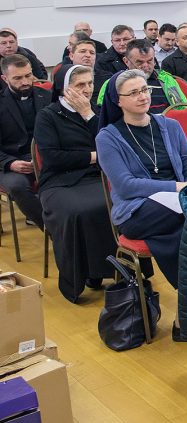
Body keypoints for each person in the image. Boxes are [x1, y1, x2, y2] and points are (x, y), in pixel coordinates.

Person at [96, 70, 187, 289]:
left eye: (145, 89)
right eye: (133, 93)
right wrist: (178, 187)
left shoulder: (170, 125)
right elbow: (126, 186)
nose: (143, 96)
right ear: (118, 101)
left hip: (180, 203)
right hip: (137, 211)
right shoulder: (107, 138)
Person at [34, 65, 115, 303]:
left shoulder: (96, 112)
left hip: (96, 176)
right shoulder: (48, 116)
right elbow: (52, 158)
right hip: (61, 181)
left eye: (90, 83)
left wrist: (89, 115)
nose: (87, 89)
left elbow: (110, 143)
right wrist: (93, 156)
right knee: (78, 212)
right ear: (63, 88)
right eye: (80, 85)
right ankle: (80, 277)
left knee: (115, 203)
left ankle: (113, 270)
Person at [0, 55, 50, 229]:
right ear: (5, 79)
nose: (25, 82)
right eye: (18, 78)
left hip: (46, 157)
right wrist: (11, 163)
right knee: (17, 187)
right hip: (12, 161)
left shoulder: (47, 96)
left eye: (28, 75)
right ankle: (52, 229)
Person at [95, 39, 186, 115]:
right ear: (126, 61)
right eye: (139, 62)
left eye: (150, 61)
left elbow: (183, 110)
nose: (146, 66)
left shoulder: (167, 80)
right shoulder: (113, 84)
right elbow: (104, 116)